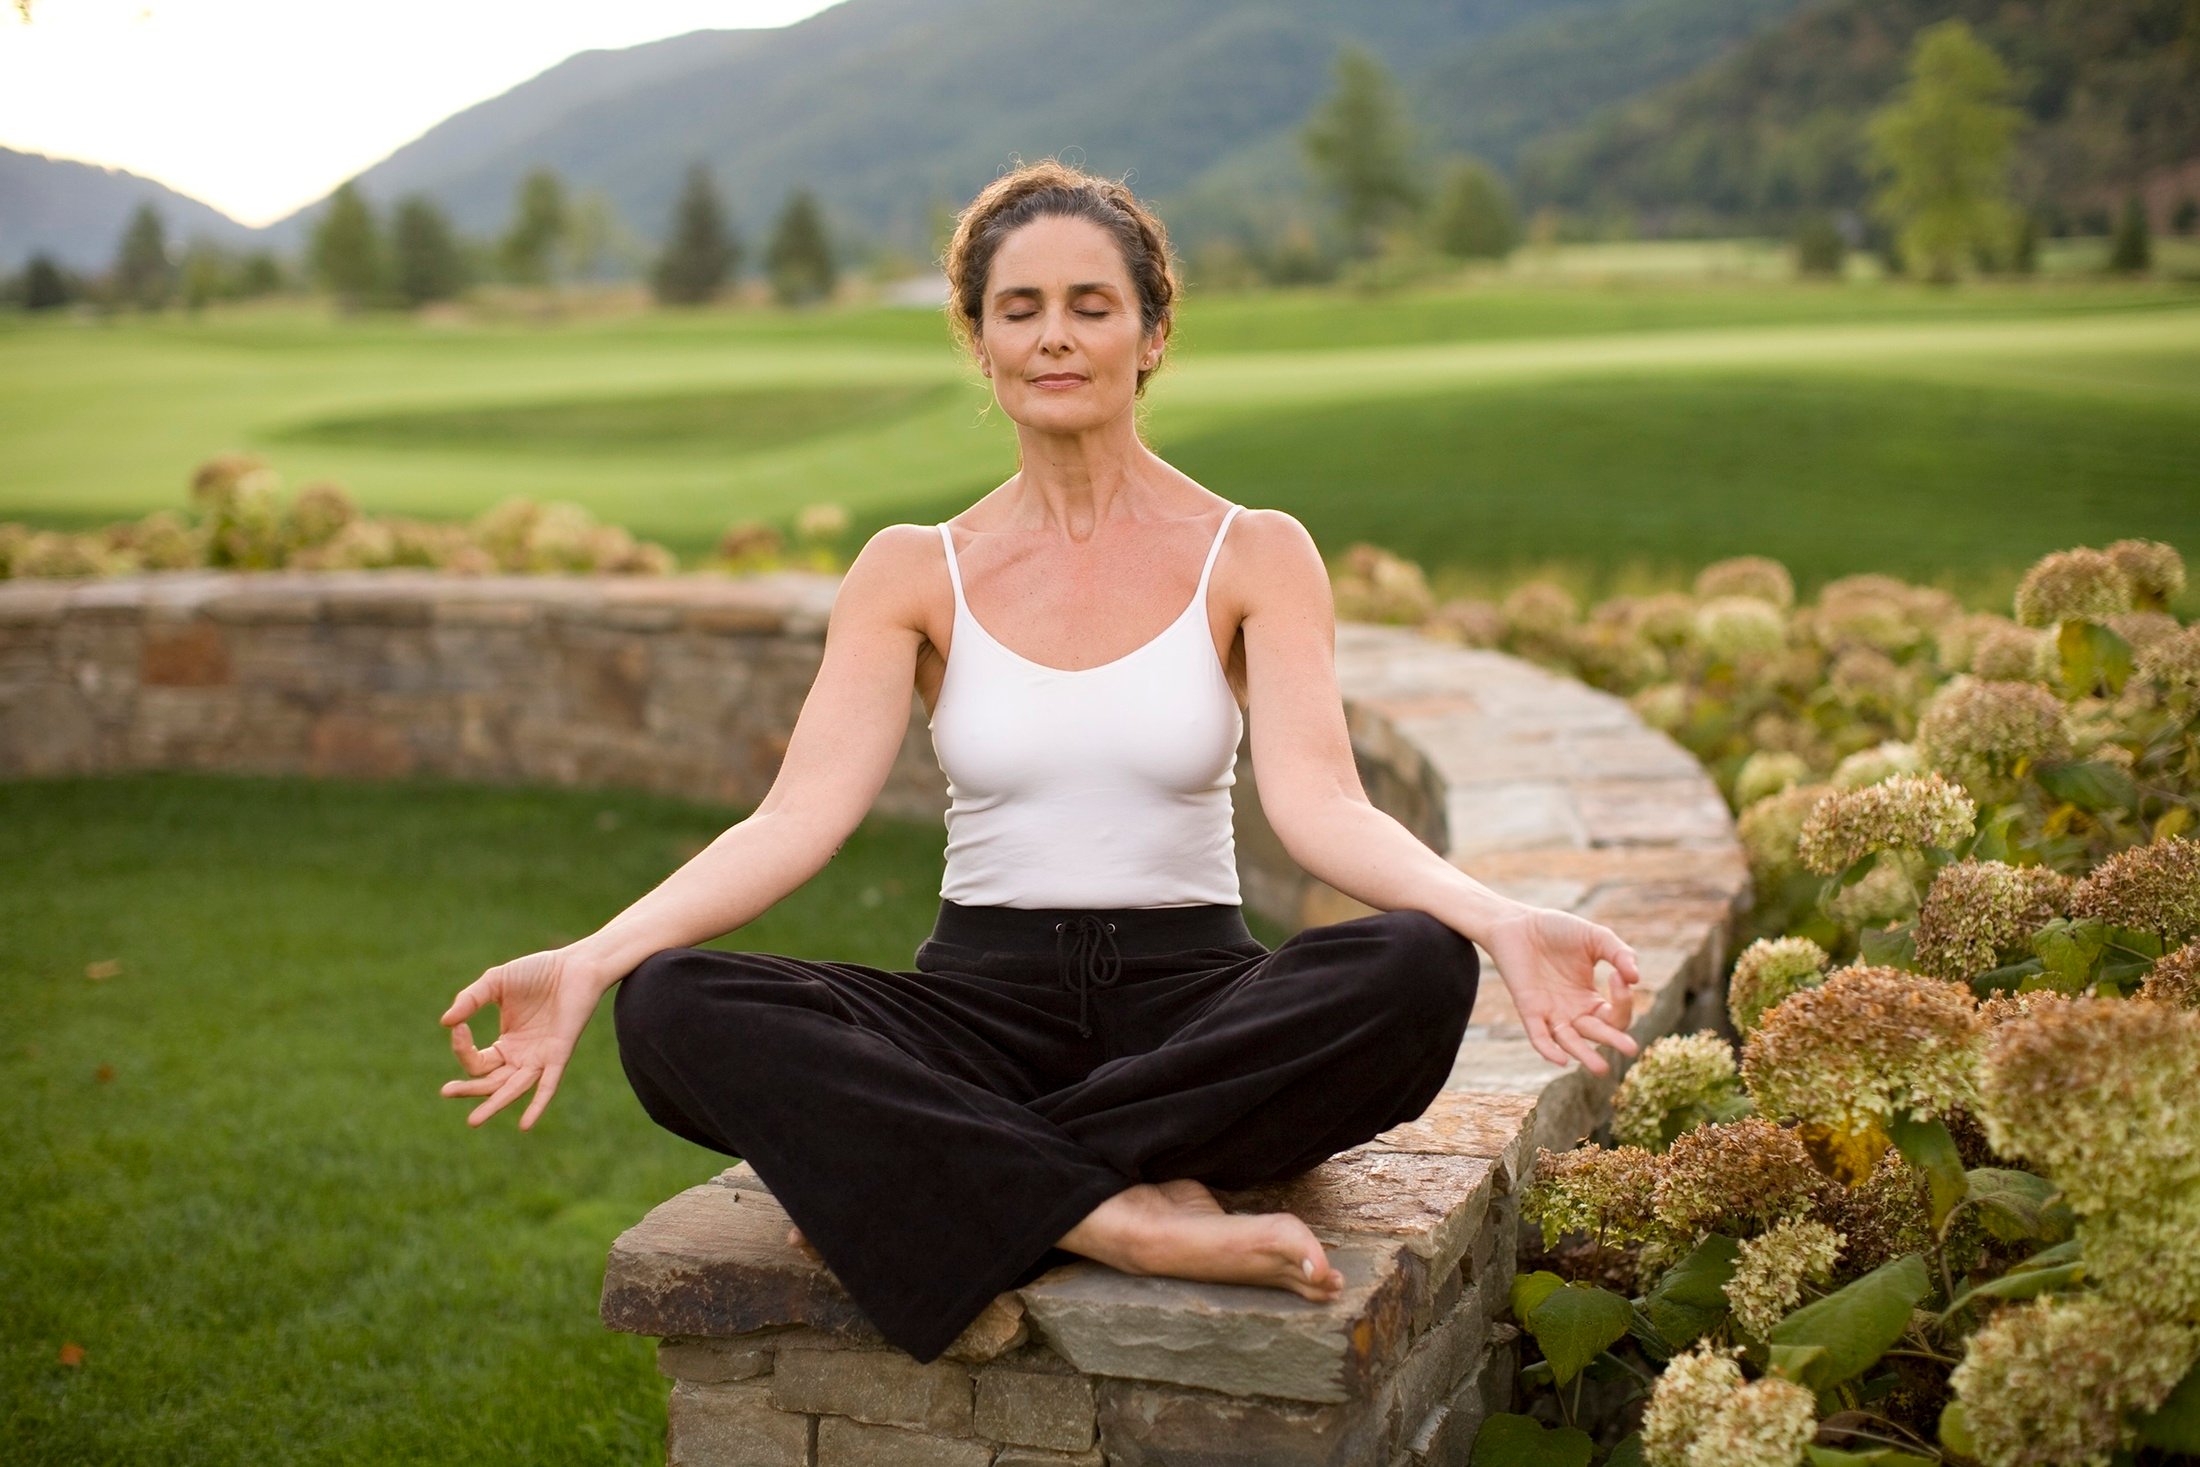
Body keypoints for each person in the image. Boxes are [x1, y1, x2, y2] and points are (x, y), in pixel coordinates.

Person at [438, 158, 1643, 1365]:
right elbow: (795, 819)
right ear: (978, 339)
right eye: (1019, 310)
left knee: (1414, 969)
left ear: (1152, 332)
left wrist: (1495, 918)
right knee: (670, 1008)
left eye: (1090, 305)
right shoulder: (913, 569)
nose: (1054, 339)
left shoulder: (1255, 552)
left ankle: (957, 1177)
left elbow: (1322, 804)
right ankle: (1120, 1210)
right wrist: (593, 960)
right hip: (976, 1003)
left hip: (1196, 1011)